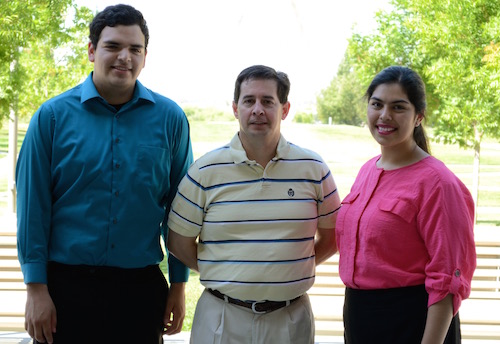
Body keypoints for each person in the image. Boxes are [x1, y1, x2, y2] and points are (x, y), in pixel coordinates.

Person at [15, 4, 192, 344]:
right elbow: (33, 209)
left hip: (140, 291)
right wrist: (36, 289)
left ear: (144, 56)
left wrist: (179, 284)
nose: (124, 57)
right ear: (92, 51)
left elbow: (179, 209)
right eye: (113, 46)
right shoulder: (50, 118)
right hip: (64, 290)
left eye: (134, 49)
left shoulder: (170, 119)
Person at [166, 64, 341, 344]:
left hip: (290, 320)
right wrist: (226, 269)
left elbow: (333, 237)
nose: (257, 109)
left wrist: (291, 267)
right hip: (221, 319)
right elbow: (178, 242)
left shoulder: (314, 169)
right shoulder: (204, 171)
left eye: (268, 101)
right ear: (236, 108)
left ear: (284, 109)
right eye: (249, 101)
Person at [335, 66, 476, 344]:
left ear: (418, 117)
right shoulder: (367, 171)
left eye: (398, 107)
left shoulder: (438, 183)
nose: (385, 115)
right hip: (361, 318)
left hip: (413, 324)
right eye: (377, 104)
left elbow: (448, 279)